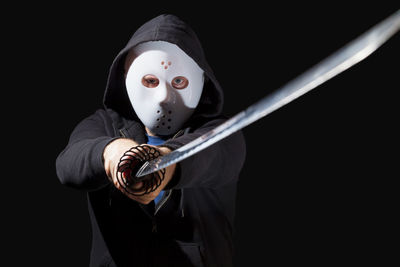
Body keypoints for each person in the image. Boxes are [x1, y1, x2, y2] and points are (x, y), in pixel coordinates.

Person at [56, 13, 246, 267]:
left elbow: (212, 155)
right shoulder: (103, 125)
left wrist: (165, 163)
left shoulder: (221, 132)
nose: (163, 98)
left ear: (201, 79)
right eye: (150, 80)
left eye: (178, 81)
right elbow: (68, 165)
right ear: (126, 76)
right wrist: (112, 152)